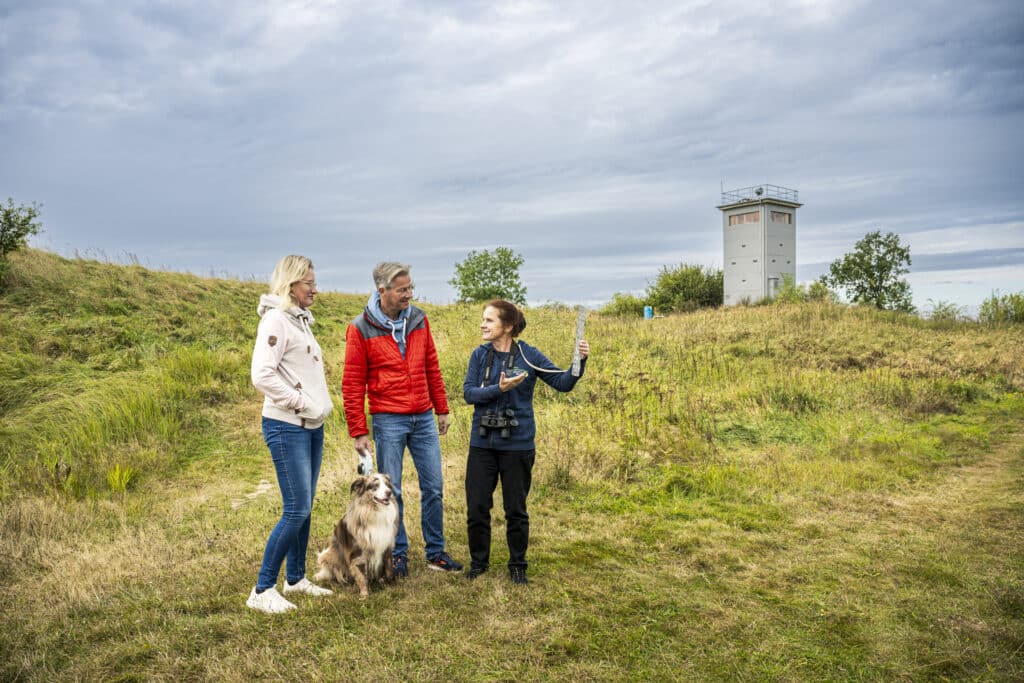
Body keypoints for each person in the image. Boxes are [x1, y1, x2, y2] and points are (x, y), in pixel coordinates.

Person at [342, 262, 463, 577]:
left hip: (423, 417)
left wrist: (442, 408)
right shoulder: (360, 328)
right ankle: (398, 554)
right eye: (403, 290)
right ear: (383, 292)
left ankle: (435, 552)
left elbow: (431, 365)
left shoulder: (419, 319)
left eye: (411, 287)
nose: (410, 294)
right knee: (391, 493)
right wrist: (359, 431)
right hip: (388, 420)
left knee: (434, 486)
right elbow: (353, 382)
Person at [463, 300, 589, 584]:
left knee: (516, 509)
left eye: (489, 321)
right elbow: (469, 394)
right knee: (477, 507)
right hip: (482, 444)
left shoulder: (528, 355)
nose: (483, 325)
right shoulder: (479, 355)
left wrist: (579, 361)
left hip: (517, 445)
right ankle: (478, 563)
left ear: (507, 326)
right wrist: (499, 388)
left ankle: (518, 564)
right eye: (483, 320)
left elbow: (564, 383)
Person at [247, 255, 334, 613]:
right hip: (286, 427)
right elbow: (262, 376)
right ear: (291, 285)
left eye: (314, 282)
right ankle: (262, 589)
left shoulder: (300, 321)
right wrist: (302, 403)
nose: (315, 288)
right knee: (296, 509)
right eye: (309, 283)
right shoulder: (276, 320)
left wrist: (315, 410)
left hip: (312, 427)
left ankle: (295, 579)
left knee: (306, 506)